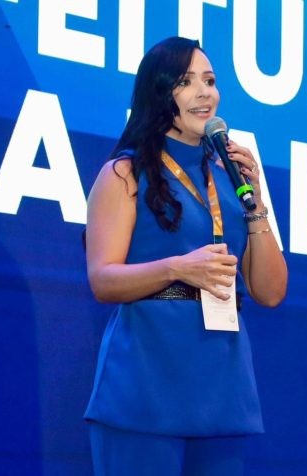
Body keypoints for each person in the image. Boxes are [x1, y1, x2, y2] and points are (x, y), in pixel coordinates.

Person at [83, 36, 287, 475]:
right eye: (186, 82)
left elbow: (271, 292)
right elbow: (102, 279)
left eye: (209, 81)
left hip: (223, 387)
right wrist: (179, 268)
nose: (204, 93)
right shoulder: (124, 172)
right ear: (159, 92)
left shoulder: (230, 178)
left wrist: (256, 203)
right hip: (145, 384)